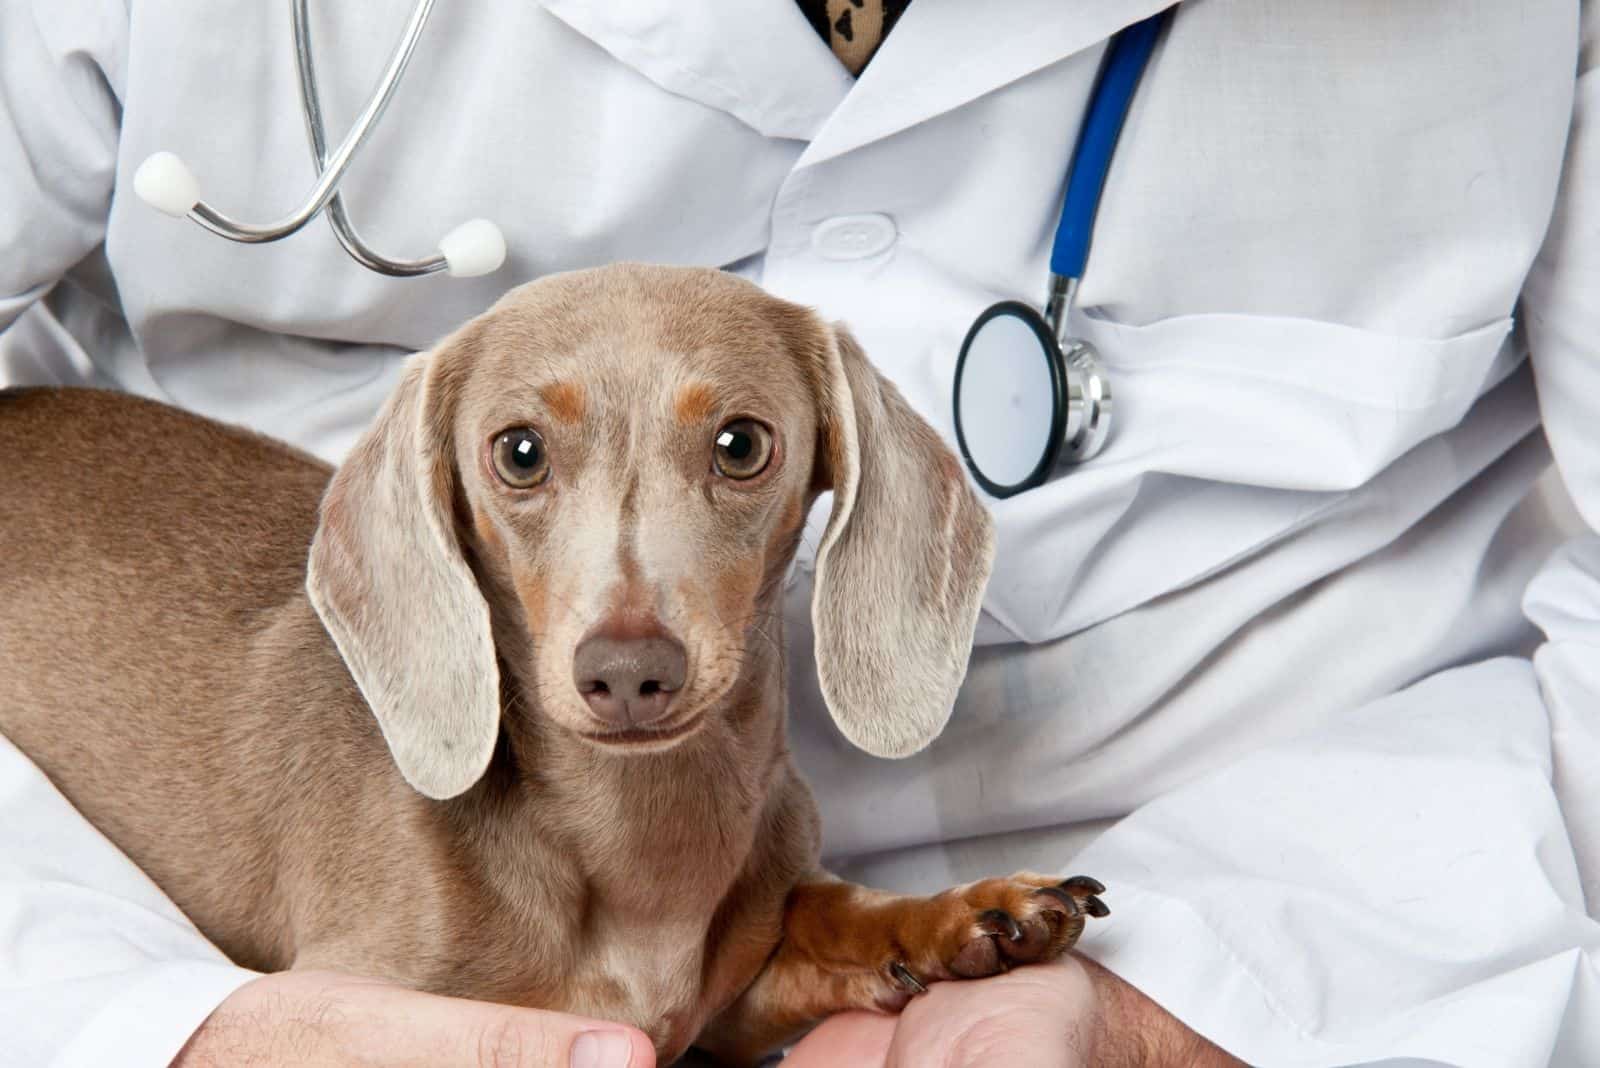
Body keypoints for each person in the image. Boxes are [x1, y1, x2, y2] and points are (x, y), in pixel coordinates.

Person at [3, 1, 1598, 1065]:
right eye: (520, 459)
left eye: (747, 448)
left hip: (1331, 933)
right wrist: (125, 1016)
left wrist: (1182, 1005)